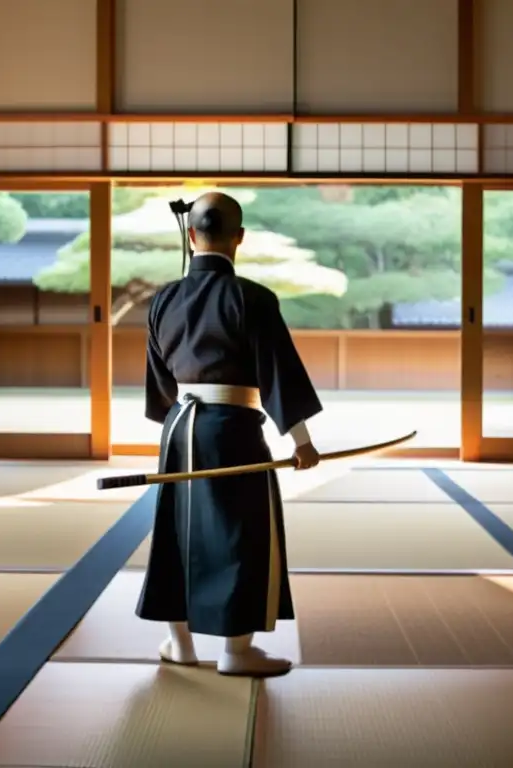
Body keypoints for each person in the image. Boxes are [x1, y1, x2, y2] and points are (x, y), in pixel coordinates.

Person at [135, 191, 323, 678]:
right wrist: (300, 441)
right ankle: (236, 650)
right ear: (239, 238)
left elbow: (161, 383)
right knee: (242, 533)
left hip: (179, 429)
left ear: (191, 235)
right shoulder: (253, 299)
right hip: (231, 430)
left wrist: (174, 425)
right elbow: (278, 372)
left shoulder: (164, 299)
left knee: (177, 531)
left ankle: (179, 643)